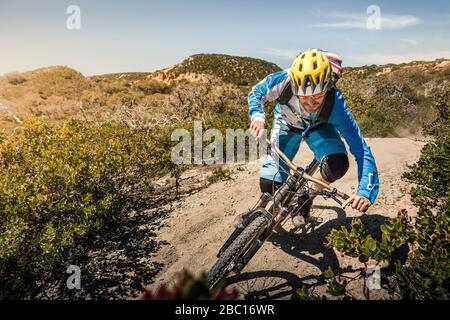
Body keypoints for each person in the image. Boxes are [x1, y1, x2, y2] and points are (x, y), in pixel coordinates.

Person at [247, 48, 379, 226]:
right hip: (287, 124)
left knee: (337, 164)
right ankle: (256, 210)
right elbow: (257, 93)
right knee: (269, 185)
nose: (310, 104)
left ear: (328, 86)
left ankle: (307, 196)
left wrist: (365, 192)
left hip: (318, 127)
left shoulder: (336, 105)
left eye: (317, 97)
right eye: (304, 97)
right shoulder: (283, 80)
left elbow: (361, 150)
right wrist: (257, 117)